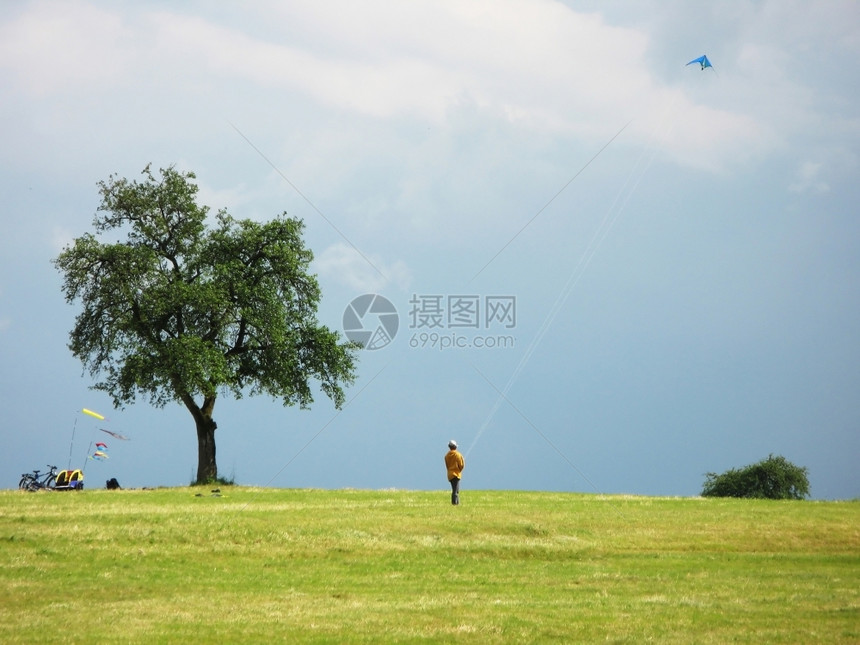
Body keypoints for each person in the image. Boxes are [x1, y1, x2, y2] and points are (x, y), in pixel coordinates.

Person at [444, 440, 465, 505]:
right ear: (455, 447)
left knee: (455, 489)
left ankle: (456, 503)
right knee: (455, 490)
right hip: (456, 474)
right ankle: (455, 503)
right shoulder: (458, 455)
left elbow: (447, 465)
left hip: (450, 474)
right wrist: (459, 470)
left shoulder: (446, 455)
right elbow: (461, 465)